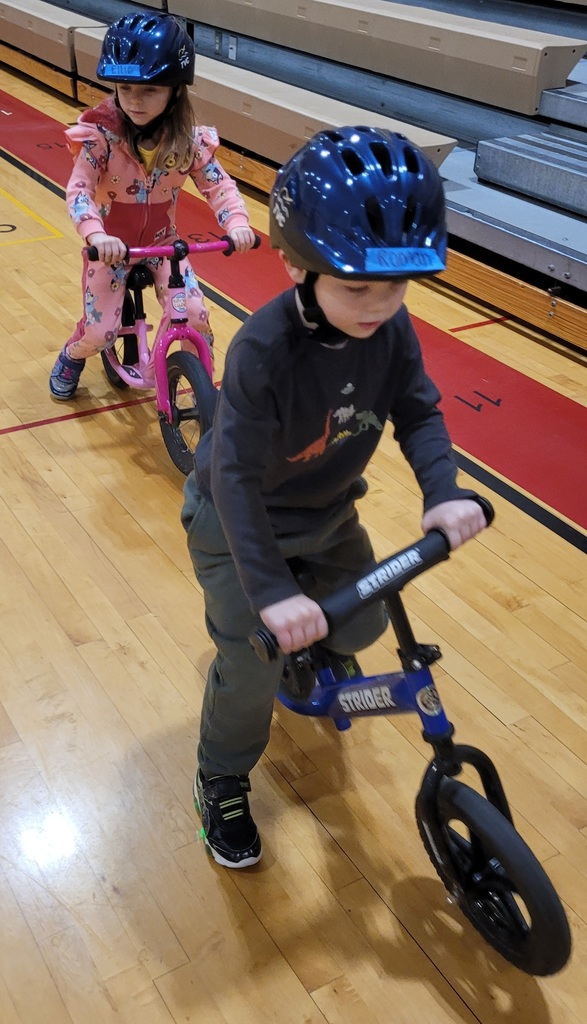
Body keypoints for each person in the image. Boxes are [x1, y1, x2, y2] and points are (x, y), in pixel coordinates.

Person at [181, 125, 488, 868]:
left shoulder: (389, 326)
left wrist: (442, 493)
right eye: (356, 286)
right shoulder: (262, 350)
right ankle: (219, 776)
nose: (378, 305)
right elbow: (235, 481)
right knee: (250, 666)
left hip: (324, 513)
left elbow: (416, 408)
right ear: (294, 265)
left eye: (395, 286)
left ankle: (306, 647)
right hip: (236, 524)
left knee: (355, 631)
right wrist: (269, 592)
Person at [49, 13, 256, 400]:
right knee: (100, 332)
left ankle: (198, 386)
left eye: (149, 90)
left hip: (164, 246)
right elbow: (79, 191)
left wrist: (238, 224)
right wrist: (95, 234)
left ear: (176, 90)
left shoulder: (188, 143)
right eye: (125, 89)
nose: (134, 101)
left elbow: (219, 186)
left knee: (194, 316)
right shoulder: (100, 140)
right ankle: (72, 354)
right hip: (111, 249)